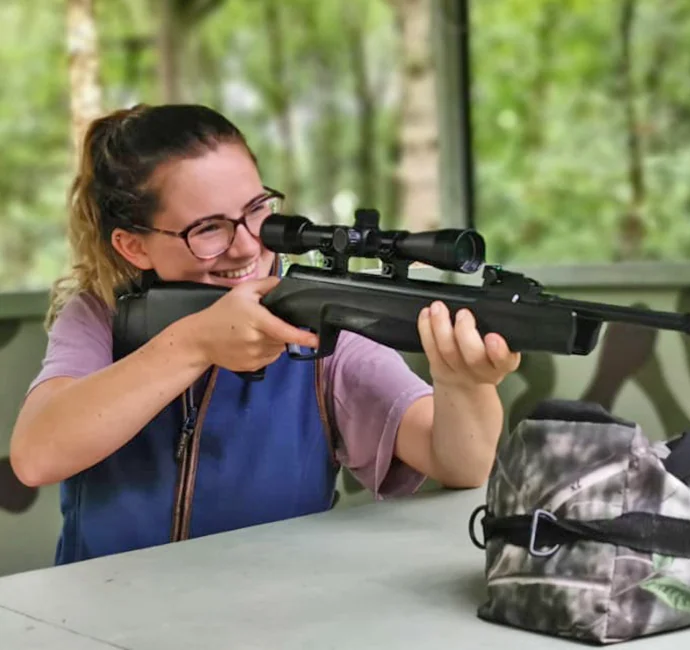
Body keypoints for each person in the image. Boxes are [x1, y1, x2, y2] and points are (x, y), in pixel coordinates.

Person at [10, 103, 521, 565]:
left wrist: (464, 383)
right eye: (208, 228)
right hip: (100, 621)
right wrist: (194, 343)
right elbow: (37, 456)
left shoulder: (320, 323)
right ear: (133, 247)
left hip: (272, 618)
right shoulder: (99, 315)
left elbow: (461, 463)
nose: (247, 247)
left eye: (258, 210)